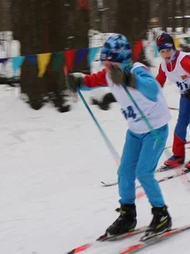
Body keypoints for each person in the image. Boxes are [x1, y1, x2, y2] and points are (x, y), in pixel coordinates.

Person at [70, 34, 172, 237]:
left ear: (123, 59)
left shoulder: (137, 70)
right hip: (135, 131)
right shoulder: (109, 74)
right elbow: (92, 80)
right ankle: (127, 215)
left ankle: (161, 214)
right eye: (105, 63)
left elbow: (152, 89)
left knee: (144, 172)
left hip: (155, 130)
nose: (107, 67)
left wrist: (128, 79)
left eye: (111, 63)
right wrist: (78, 82)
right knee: (124, 172)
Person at [153, 33, 190, 172]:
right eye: (162, 51)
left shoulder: (183, 59)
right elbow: (157, 84)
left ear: (173, 48)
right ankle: (178, 155)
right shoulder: (164, 66)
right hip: (185, 94)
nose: (166, 54)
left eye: (168, 50)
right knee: (181, 122)